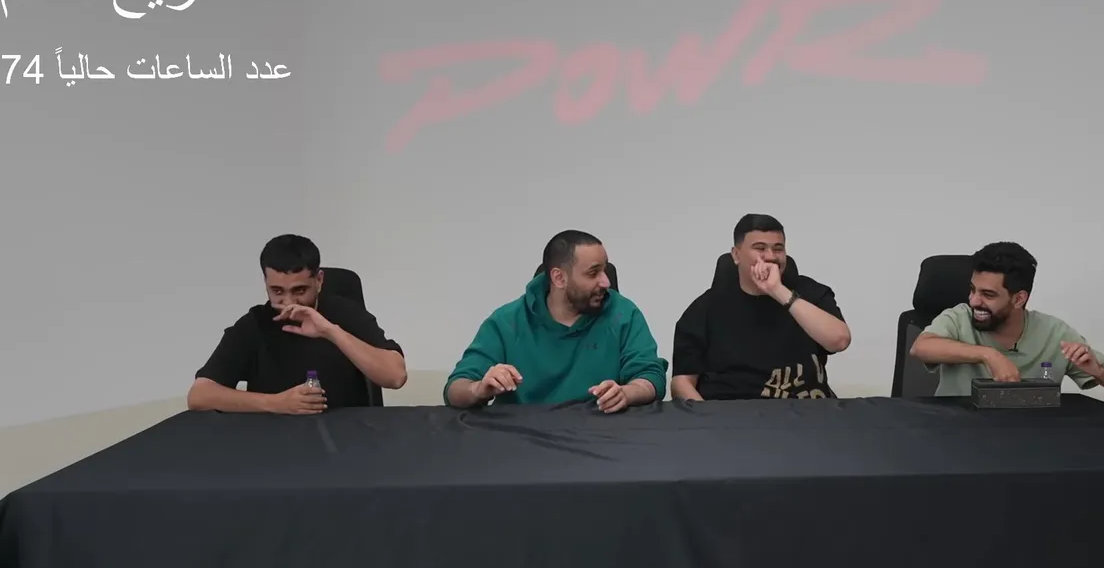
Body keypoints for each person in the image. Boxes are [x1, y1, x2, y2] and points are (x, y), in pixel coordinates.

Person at [444, 230, 667, 412]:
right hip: (522, 438)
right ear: (559, 278)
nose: (606, 282)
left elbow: (651, 377)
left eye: (605, 270)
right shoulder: (507, 321)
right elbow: (455, 388)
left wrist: (626, 393)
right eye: (593, 273)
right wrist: (479, 389)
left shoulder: (624, 314)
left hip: (603, 435)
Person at [187, 234, 407, 414]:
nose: (289, 302)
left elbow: (395, 376)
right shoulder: (253, 324)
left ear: (318, 281)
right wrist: (276, 403)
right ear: (266, 283)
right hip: (277, 439)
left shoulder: (346, 312)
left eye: (299, 290)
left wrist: (330, 331)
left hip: (347, 438)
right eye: (277, 291)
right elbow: (199, 395)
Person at [910, 241, 1104, 397]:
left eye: (988, 294)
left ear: (1019, 299)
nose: (974, 301)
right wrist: (988, 355)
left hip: (1030, 435)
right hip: (959, 432)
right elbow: (920, 348)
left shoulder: (1055, 332)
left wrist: (1099, 371)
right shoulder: (958, 317)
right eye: (972, 290)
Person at [671, 214, 851, 401]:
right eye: (760, 248)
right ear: (736, 255)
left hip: (804, 409)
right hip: (732, 411)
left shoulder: (811, 293)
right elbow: (682, 383)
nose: (771, 257)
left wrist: (778, 291)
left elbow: (839, 341)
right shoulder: (705, 308)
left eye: (778, 249)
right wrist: (709, 416)